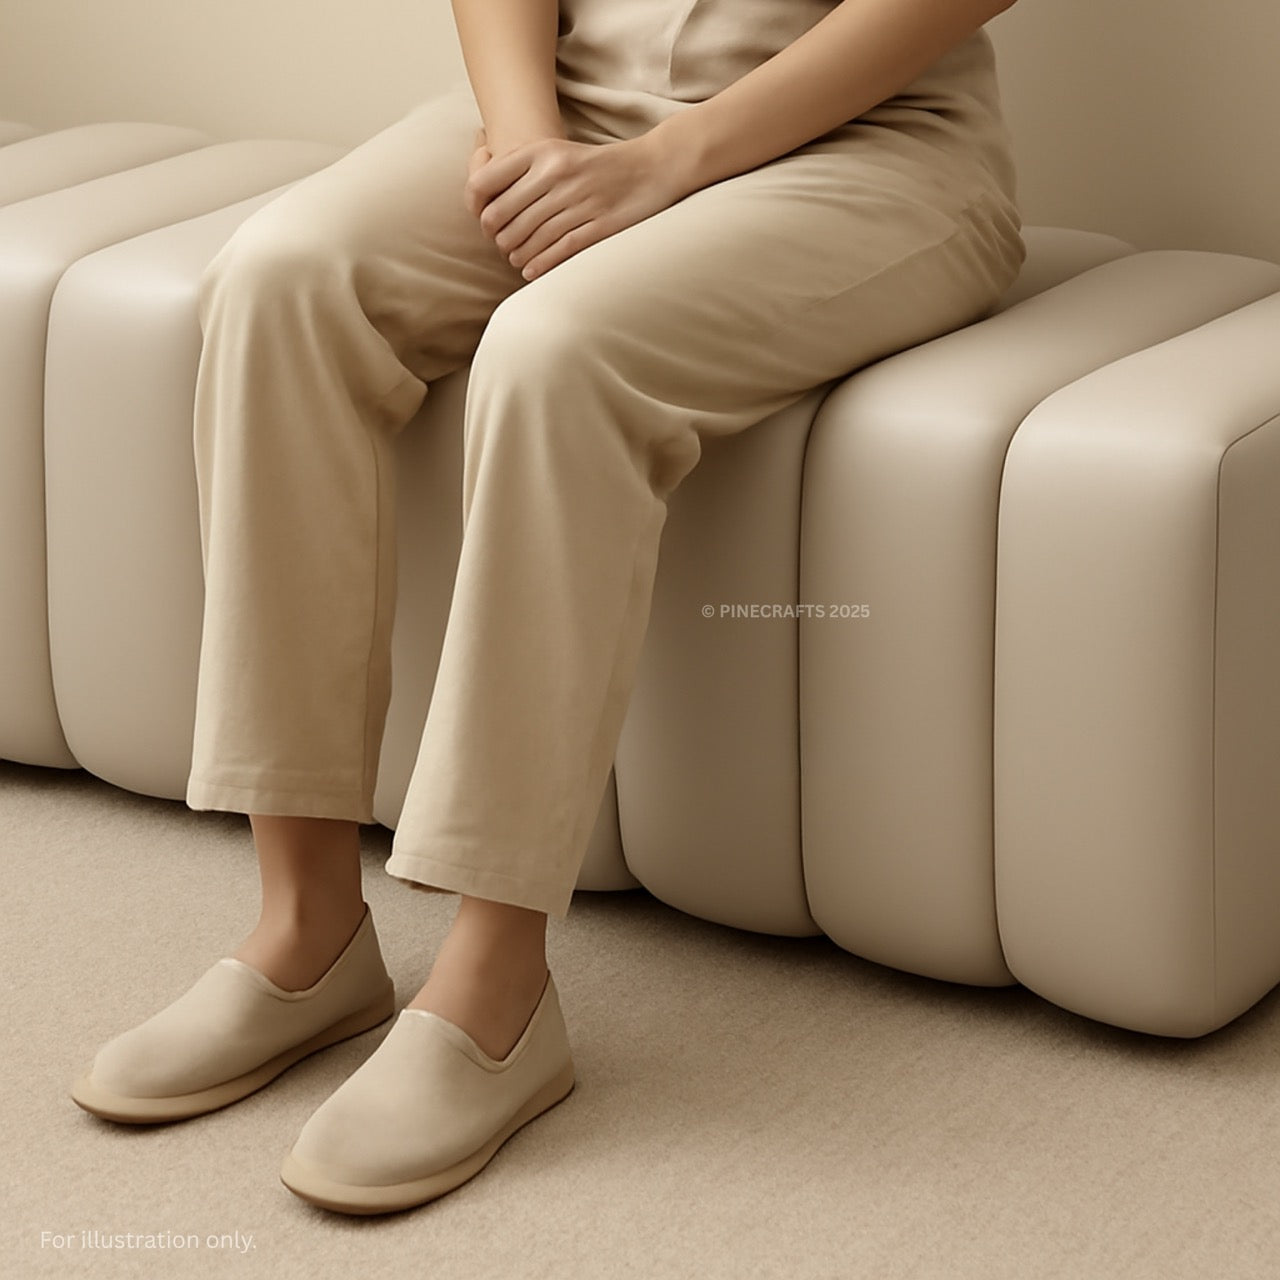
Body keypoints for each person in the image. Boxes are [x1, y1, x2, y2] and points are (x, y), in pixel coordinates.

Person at [70, 0, 1025, 1215]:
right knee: (280, 283)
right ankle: (303, 927)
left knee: (554, 351)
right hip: (572, 105)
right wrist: (529, 142)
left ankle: (495, 991)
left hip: (868, 147)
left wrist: (667, 163)